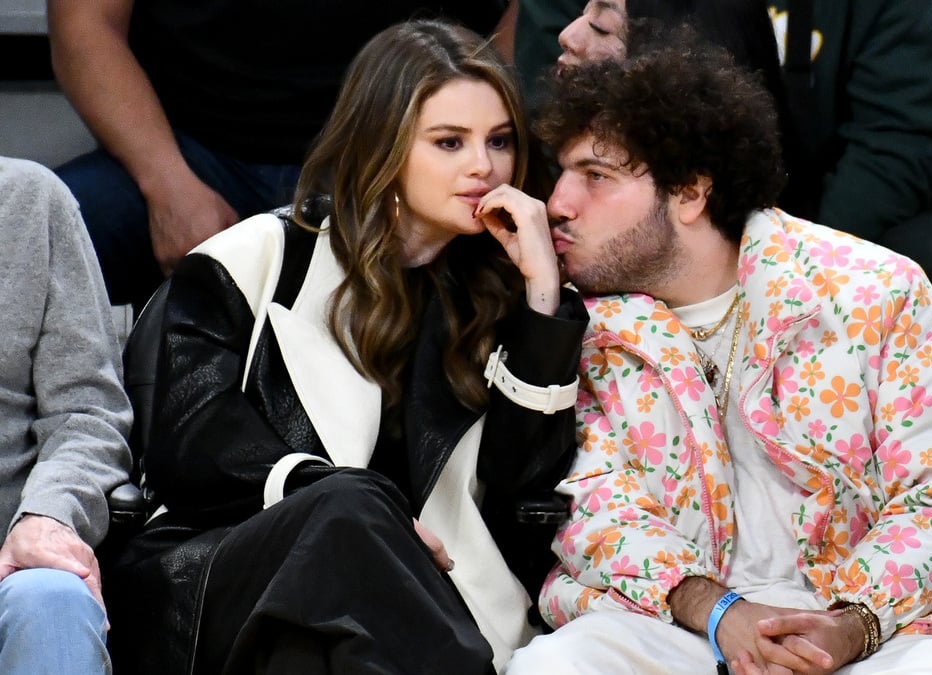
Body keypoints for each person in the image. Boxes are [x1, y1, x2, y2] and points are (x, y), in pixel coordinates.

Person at [504, 41, 932, 674]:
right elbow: (598, 513)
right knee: (552, 667)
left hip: (871, 628)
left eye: (596, 175)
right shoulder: (587, 326)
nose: (558, 201)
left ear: (690, 191)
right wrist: (721, 613)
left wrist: (843, 629)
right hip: (673, 622)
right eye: (562, 173)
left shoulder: (876, 293)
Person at [103, 20, 587, 674]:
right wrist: (352, 508)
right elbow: (187, 441)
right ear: (382, 144)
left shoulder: (499, 298)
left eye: (499, 141)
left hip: (373, 616)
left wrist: (540, 302)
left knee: (321, 648)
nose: (484, 166)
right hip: (218, 580)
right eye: (450, 142)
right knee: (352, 505)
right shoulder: (257, 257)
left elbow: (524, 499)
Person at [553, 0, 932, 458]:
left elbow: (930, 509)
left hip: (826, 206)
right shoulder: (575, 299)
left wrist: (798, 266)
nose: (567, 36)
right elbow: (601, 512)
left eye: (602, 28)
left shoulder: (891, 298)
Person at [47, 0, 511, 309]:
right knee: (39, 236)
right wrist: (169, 186)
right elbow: (85, 25)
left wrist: (460, 138)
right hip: (185, 149)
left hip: (385, 153)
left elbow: (519, 17)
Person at [0, 157, 134, 673]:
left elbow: (87, 413)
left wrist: (50, 514)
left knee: (53, 597)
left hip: (10, 557)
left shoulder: (31, 200)